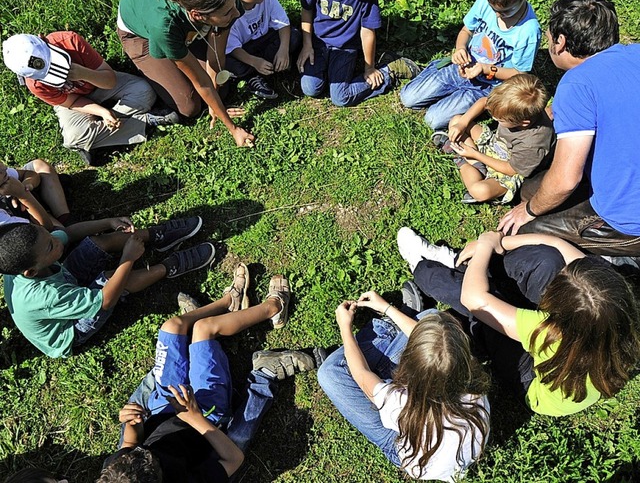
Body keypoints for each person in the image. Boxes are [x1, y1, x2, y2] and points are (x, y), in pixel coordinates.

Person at [97, 271, 324, 482]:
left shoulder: (118, 469)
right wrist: (194, 417)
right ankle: (273, 306)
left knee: (172, 327)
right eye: (153, 459)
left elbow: (129, 443)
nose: (147, 452)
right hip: (205, 416)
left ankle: (229, 302)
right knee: (204, 330)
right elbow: (233, 459)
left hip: (163, 406)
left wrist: (133, 424)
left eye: (141, 452)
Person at [396, 227, 640, 416]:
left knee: (478, 309)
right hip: (570, 356)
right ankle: (469, 267)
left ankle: (424, 267)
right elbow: (557, 244)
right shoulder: (616, 308)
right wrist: (497, 243)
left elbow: (476, 301)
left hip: (532, 377)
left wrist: (484, 247)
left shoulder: (547, 333)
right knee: (548, 259)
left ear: (557, 311)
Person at [498, 0, 640, 256]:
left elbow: (565, 180)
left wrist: (528, 212)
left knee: (520, 236)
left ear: (560, 43)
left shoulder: (577, 83)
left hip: (629, 223)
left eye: (549, 38)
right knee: (530, 189)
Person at [318, 292, 490, 481]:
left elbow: (361, 375)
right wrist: (386, 307)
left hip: (402, 445)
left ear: (408, 364)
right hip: (435, 443)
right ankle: (382, 342)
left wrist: (345, 327)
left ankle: (379, 339)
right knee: (430, 316)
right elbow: (437, 350)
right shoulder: (473, 386)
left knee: (330, 373)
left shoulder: (400, 403)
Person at [0, 216, 214, 357]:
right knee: (113, 279)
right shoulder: (45, 296)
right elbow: (105, 300)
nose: (56, 241)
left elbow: (68, 233)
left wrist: (108, 222)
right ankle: (169, 266)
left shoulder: (31, 255)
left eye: (47, 234)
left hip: (64, 282)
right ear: (31, 273)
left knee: (97, 243)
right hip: (70, 329)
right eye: (50, 245)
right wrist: (127, 259)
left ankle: (154, 236)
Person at [117, 0, 255, 147]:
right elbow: (202, 82)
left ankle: (178, 57)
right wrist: (233, 128)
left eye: (233, 6)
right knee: (190, 106)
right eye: (228, 13)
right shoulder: (164, 27)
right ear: (197, 15)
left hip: (183, 25)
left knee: (221, 88)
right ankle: (156, 76)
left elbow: (216, 55)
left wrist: (215, 103)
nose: (237, 13)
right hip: (139, 33)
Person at [400, 0, 541, 129]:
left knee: (432, 120)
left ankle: (477, 105)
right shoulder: (483, 2)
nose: (497, 15)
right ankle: (439, 72)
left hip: (486, 86)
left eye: (505, 11)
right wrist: (460, 48)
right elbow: (466, 31)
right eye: (494, 9)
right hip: (462, 68)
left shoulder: (529, 30)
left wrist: (487, 69)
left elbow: (519, 73)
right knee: (408, 98)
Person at [2, 32, 176, 166]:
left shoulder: (69, 41)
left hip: (100, 82)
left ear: (43, 41)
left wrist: (84, 73)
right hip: (75, 100)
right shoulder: (35, 83)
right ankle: (145, 120)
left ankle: (101, 137)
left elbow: (110, 80)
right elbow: (71, 102)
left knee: (144, 91)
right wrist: (102, 111)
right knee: (72, 138)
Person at [296, 0, 420, 107]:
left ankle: (389, 71)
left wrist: (369, 68)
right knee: (310, 88)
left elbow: (368, 30)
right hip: (319, 44)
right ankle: (330, 72)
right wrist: (307, 44)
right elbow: (307, 10)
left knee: (340, 97)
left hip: (346, 47)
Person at [433, 73, 554, 204]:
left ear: (523, 123)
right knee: (456, 120)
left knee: (480, 191)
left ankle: (461, 160)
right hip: (495, 145)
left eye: (500, 119)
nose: (494, 118)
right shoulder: (511, 106)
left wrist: (476, 155)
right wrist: (462, 124)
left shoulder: (533, 144)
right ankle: (477, 165)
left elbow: (511, 169)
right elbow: (483, 102)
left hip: (507, 170)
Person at [216, 0, 301, 100]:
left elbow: (282, 22)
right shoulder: (228, 11)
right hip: (242, 51)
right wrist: (253, 61)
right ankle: (253, 77)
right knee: (229, 62)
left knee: (293, 36)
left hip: (264, 40)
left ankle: (270, 66)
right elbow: (232, 47)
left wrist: (283, 50)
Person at [0, 159, 72, 226]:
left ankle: (63, 216)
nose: (5, 167)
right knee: (60, 232)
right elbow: (46, 226)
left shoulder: (3, 173)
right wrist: (23, 194)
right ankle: (60, 227)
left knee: (40, 165)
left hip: (24, 199)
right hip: (24, 218)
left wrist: (27, 185)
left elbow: (29, 174)